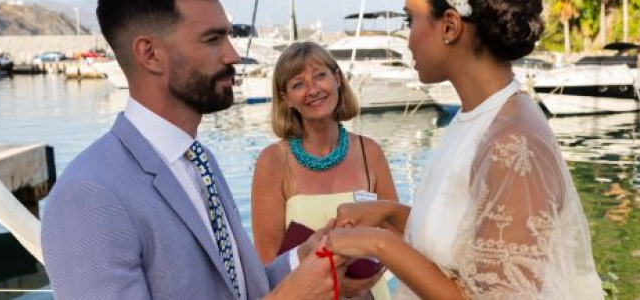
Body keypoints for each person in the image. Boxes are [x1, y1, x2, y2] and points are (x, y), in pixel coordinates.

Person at [40, 1, 370, 299]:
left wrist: (303, 257)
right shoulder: (88, 196)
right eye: (213, 39)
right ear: (150, 54)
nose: (233, 55)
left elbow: (238, 290)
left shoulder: (199, 159)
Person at [326, 0, 604, 299]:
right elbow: (467, 240)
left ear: (450, 25)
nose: (407, 40)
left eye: (409, 21)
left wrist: (378, 243)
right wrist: (390, 212)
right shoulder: (477, 117)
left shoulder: (513, 142)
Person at [251, 41, 398, 299]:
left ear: (337, 79)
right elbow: (268, 264)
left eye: (320, 75)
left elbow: (397, 235)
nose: (313, 89)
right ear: (286, 99)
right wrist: (337, 284)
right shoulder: (273, 161)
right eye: (298, 84)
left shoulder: (369, 152)